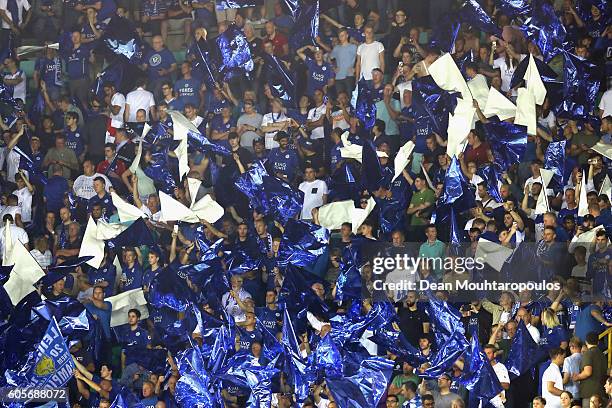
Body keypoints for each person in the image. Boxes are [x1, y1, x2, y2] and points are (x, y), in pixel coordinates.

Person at [573, 332, 607, 407]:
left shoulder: (588, 353)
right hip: (601, 392)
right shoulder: (602, 354)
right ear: (598, 342)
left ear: (586, 342)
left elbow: (588, 372)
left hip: (590, 394)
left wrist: (577, 377)